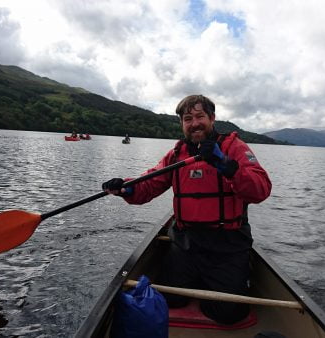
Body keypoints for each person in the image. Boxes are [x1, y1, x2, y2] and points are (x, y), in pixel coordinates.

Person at [102, 94, 272, 325]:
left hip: (227, 246)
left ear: (212, 118)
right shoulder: (176, 154)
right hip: (185, 244)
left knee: (228, 315)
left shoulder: (234, 148)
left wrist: (227, 167)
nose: (194, 123)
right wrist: (126, 188)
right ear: (182, 124)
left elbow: (260, 190)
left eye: (200, 116)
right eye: (187, 118)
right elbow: (150, 184)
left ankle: (225, 280)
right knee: (168, 301)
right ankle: (201, 280)